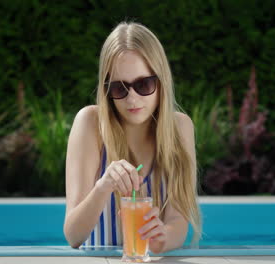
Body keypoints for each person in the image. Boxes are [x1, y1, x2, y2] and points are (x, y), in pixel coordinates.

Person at [63, 21, 202, 254]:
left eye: (144, 84)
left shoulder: (180, 127)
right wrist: (103, 187)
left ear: (161, 82)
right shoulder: (90, 124)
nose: (132, 99)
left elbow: (178, 221)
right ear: (107, 90)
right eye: (119, 88)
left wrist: (162, 237)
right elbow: (73, 235)